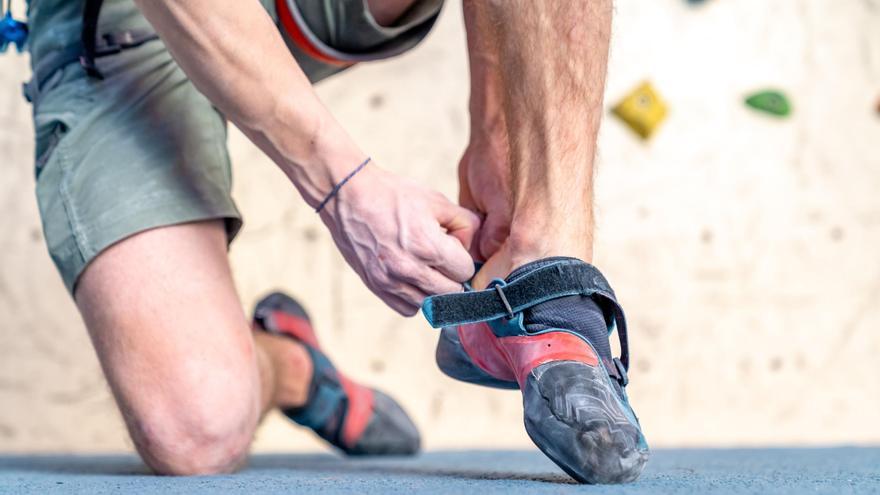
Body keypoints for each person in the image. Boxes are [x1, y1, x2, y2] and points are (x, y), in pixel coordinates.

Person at [24, 0, 648, 484]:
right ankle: (293, 366)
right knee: (195, 430)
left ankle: (549, 283)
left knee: (539, 238)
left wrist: (497, 133)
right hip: (124, 24)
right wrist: (343, 187)